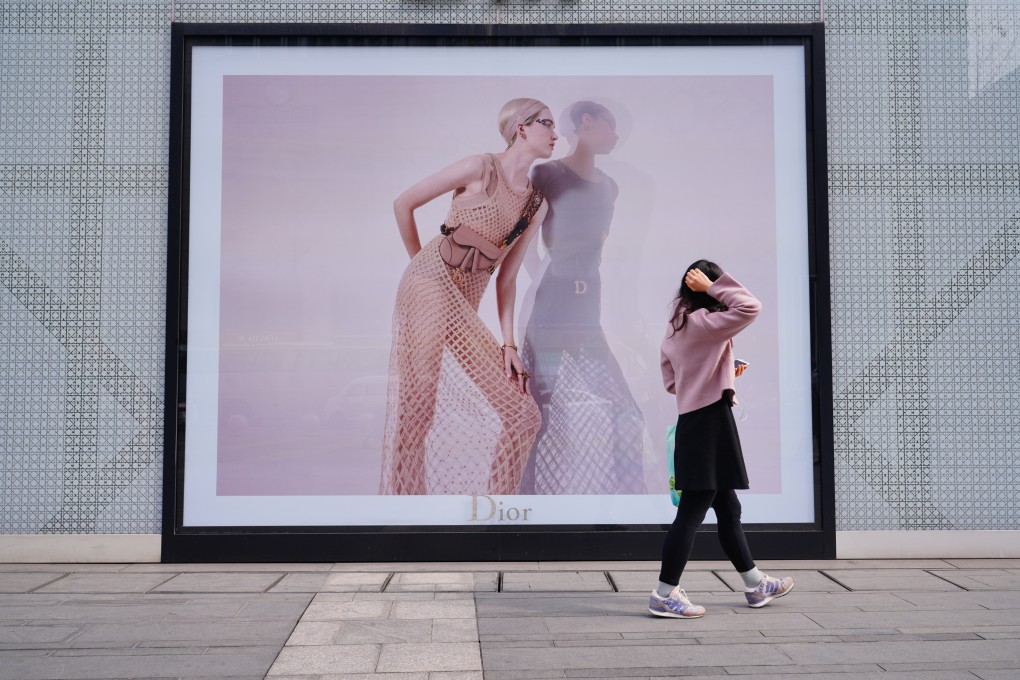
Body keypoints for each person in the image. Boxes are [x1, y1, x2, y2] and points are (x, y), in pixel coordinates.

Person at [378, 98, 554, 495]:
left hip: (464, 306)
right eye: (546, 123)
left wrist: (508, 343)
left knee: (523, 414)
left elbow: (507, 279)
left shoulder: (535, 204)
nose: (555, 134)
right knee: (419, 405)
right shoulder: (479, 167)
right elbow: (403, 204)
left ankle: (498, 510)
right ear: (522, 128)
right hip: (428, 287)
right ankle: (405, 507)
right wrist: (421, 269)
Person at [648, 260, 793, 618]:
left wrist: (722, 370)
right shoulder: (705, 322)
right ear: (705, 289)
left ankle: (755, 584)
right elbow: (750, 306)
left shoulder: (676, 327)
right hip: (710, 424)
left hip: (695, 421)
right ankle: (664, 593)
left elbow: (672, 382)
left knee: (729, 509)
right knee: (691, 513)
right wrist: (713, 287)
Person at [519, 100, 649, 494]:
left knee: (626, 412)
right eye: (611, 125)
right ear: (586, 121)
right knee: (538, 415)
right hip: (549, 315)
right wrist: (551, 283)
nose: (617, 136)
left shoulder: (610, 187)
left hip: (587, 318)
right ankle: (523, 504)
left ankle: (632, 502)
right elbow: (525, 246)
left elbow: (602, 252)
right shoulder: (546, 174)